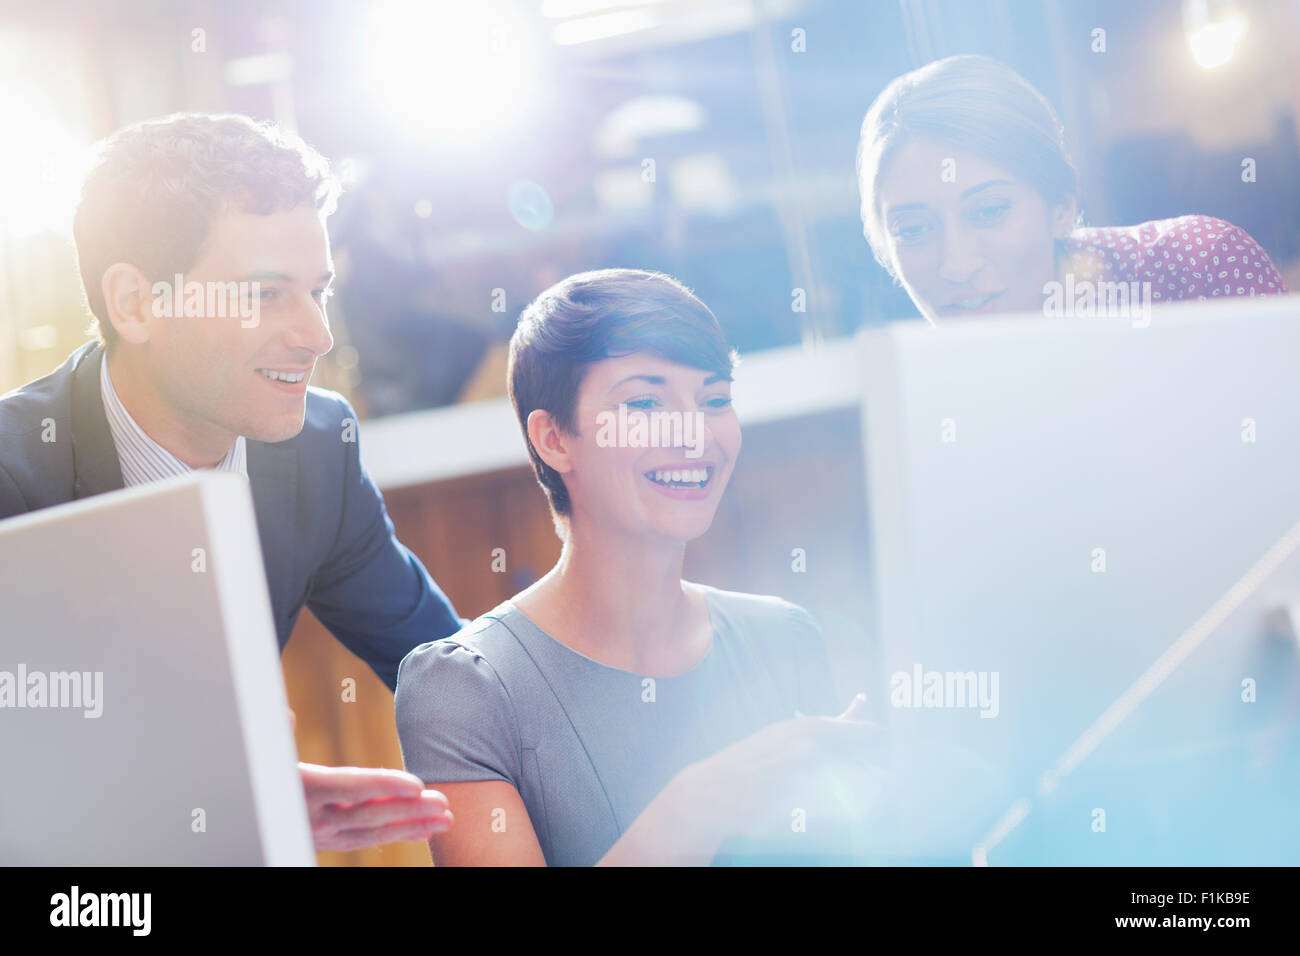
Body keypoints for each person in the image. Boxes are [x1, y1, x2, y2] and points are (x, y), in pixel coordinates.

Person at [0, 113, 457, 852]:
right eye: (265, 295)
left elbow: (444, 668)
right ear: (136, 303)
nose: (316, 335)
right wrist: (190, 801)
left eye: (319, 290)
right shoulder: (13, 477)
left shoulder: (316, 451)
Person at [395, 268, 882, 866]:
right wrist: (695, 809)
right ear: (554, 439)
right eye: (645, 401)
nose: (694, 434)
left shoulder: (784, 639)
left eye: (714, 400)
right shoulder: (466, 689)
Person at [856, 54, 1288, 322]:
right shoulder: (922, 400)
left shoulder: (1196, 270)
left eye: (989, 211)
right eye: (913, 229)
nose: (956, 264)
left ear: (1061, 205)